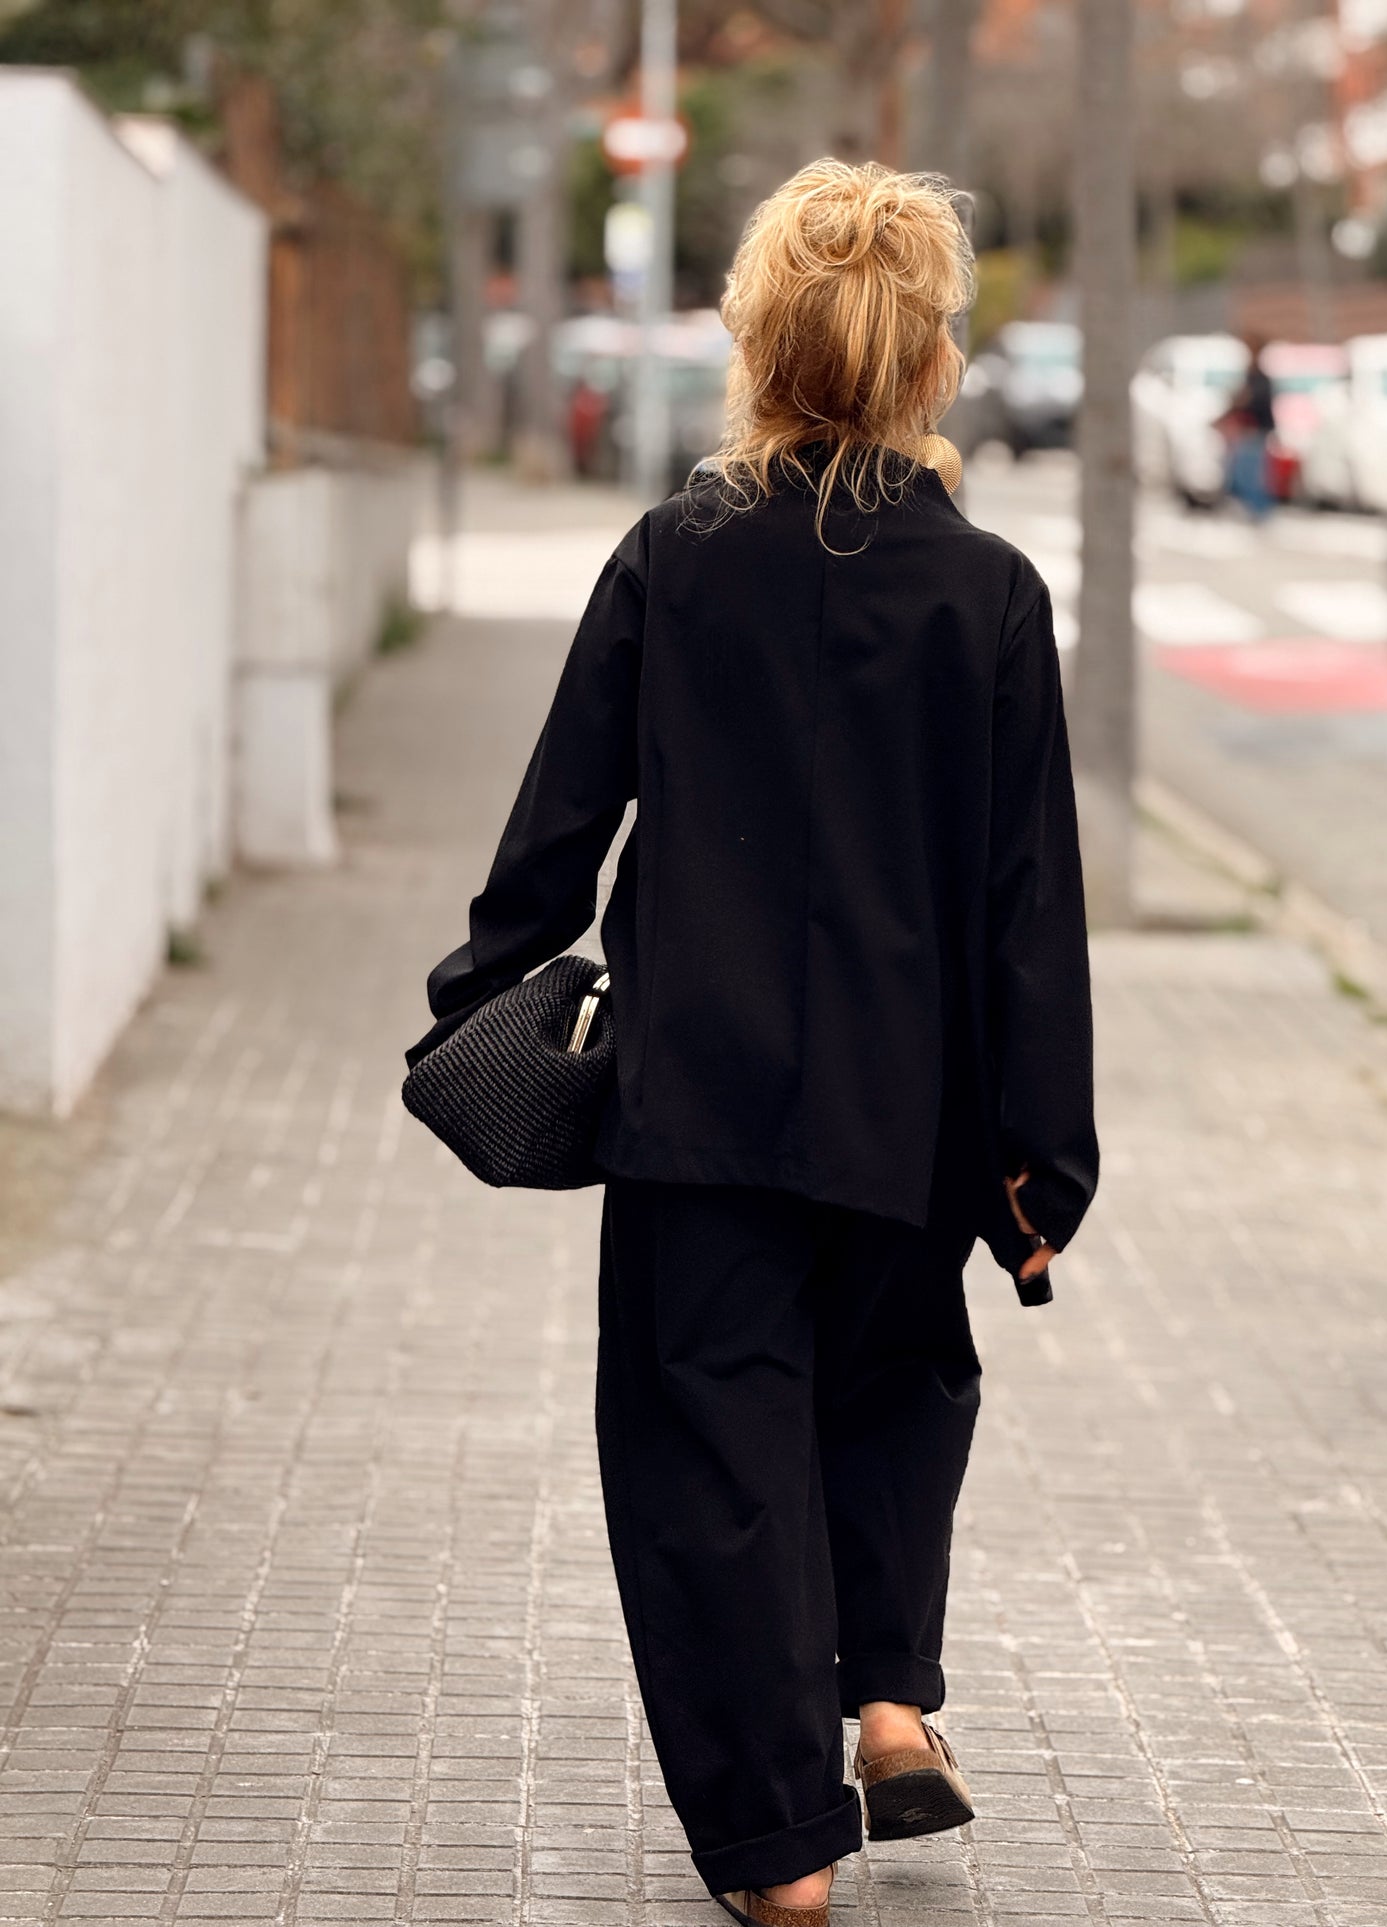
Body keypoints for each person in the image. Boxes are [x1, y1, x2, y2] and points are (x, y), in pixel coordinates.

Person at [407, 159, 1098, 1925]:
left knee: (713, 1452)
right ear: (928, 360)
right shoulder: (990, 594)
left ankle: (780, 1845)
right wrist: (1039, 1161)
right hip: (908, 1112)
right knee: (894, 1390)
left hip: (698, 1107)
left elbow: (560, 825)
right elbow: (1027, 907)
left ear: (760, 349)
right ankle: (890, 1703)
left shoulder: (674, 557)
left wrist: (476, 1001)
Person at [1222, 335, 1276, 519]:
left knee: (1251, 475)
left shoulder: (1260, 379)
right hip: (1247, 431)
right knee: (1244, 473)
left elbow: (1250, 401)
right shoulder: (1251, 376)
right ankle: (1252, 510)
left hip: (1255, 431)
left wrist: (1241, 400)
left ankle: (1259, 511)